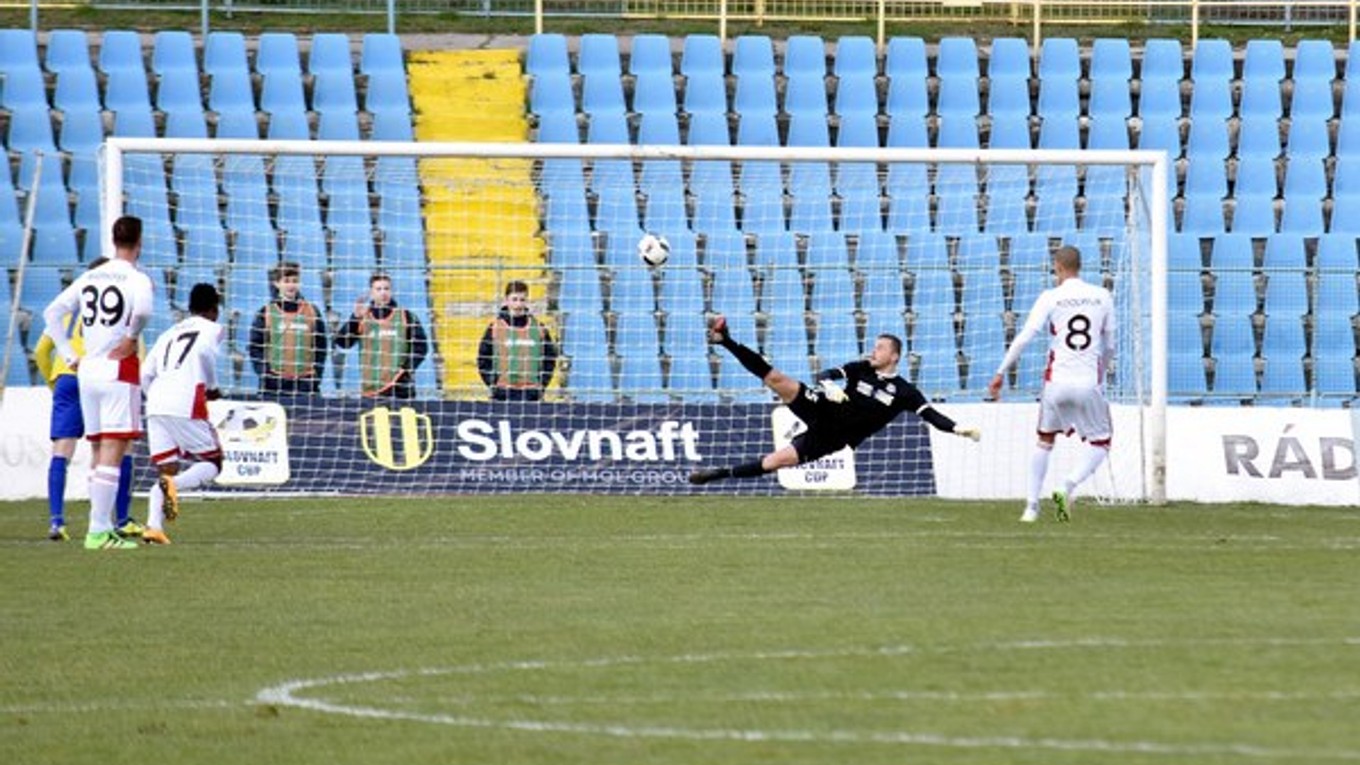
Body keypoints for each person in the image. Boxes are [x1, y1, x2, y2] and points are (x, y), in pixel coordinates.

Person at [689, 315, 981, 486]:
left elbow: (930, 415)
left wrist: (957, 429)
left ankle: (719, 474)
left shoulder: (905, 392)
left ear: (894, 356)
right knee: (776, 379)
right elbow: (827, 373)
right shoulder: (862, 369)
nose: (873, 351)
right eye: (874, 347)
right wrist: (828, 384)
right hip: (824, 408)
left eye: (880, 348)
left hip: (833, 436)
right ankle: (725, 340)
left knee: (775, 462)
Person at [42, 216, 155, 550]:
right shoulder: (136, 278)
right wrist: (132, 336)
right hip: (117, 369)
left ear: (113, 238)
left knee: (97, 448)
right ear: (139, 242)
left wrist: (68, 354)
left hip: (86, 370)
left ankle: (102, 525)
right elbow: (145, 309)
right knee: (114, 448)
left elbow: (51, 313)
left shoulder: (89, 276)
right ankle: (98, 531)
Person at [987, 244, 1116, 524]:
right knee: (1101, 443)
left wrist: (1000, 372)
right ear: (1079, 266)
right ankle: (1067, 486)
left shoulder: (1051, 296)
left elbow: (1024, 337)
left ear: (1057, 266)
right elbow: (1109, 346)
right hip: (1088, 383)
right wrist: (1101, 375)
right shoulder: (1102, 296)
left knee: (1045, 440)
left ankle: (1031, 508)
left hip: (1056, 381)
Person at [139, 283, 226, 545]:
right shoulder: (213, 328)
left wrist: (152, 397)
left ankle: (154, 526)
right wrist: (212, 388)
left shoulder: (169, 333)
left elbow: (145, 373)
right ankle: (172, 487)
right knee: (214, 462)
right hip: (185, 400)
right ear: (214, 309)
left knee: (167, 467)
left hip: (155, 402)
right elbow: (205, 354)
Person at [333, 271, 429, 400]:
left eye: (386, 288)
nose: (383, 292)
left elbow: (421, 348)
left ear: (391, 291)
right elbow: (342, 343)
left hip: (400, 387)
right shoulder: (363, 317)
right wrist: (354, 319)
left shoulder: (406, 316)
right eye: (378, 289)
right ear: (371, 292)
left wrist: (405, 371)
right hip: (371, 388)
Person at [248, 262, 328, 395]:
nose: (291, 285)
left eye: (295, 281)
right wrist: (265, 374)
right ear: (277, 283)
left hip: (305, 384)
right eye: (286, 281)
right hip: (274, 384)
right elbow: (255, 347)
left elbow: (321, 347)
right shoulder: (266, 312)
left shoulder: (312, 311)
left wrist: (316, 376)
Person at [476, 280, 559, 402]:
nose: (518, 304)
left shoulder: (539, 328)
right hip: (503, 393)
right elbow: (483, 358)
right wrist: (493, 383)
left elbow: (550, 358)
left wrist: (541, 385)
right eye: (514, 299)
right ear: (506, 300)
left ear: (527, 301)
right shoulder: (495, 327)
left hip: (531, 393)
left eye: (522, 300)